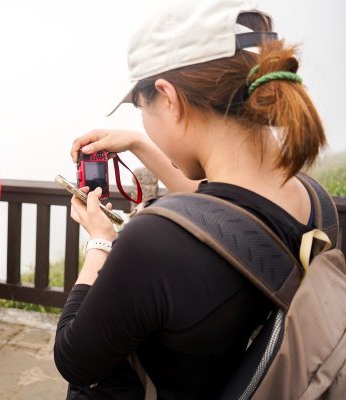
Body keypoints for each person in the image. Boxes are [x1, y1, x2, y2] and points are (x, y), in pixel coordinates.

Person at [53, 0, 327, 398]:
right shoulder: (307, 195)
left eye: (141, 109)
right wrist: (138, 143)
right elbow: (222, 217)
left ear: (167, 96)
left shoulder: (155, 242)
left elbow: (75, 358)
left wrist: (99, 242)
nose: (142, 121)